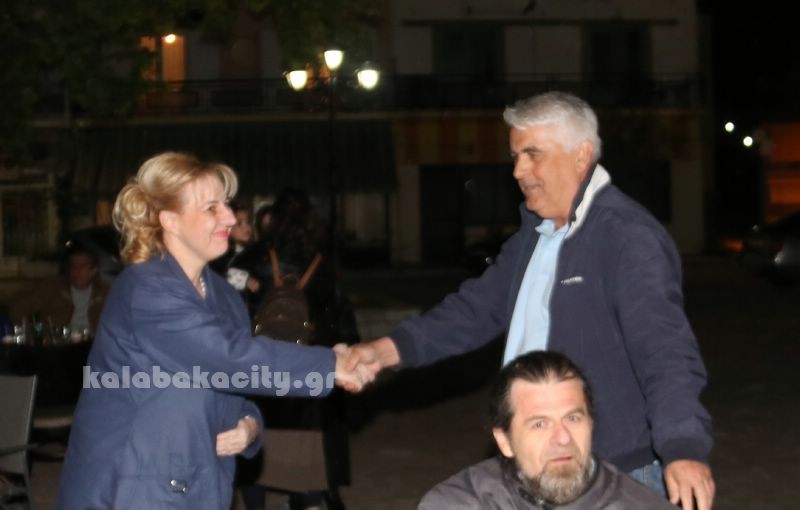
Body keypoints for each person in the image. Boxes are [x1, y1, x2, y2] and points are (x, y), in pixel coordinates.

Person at [347, 92, 715, 510]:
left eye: (532, 154)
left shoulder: (626, 237)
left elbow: (665, 349)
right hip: (537, 467)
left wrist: (683, 446)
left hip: (613, 473)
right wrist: (384, 352)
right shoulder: (535, 236)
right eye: (516, 156)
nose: (518, 170)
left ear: (581, 155)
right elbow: (474, 310)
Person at [54, 152, 364, 509]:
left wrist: (249, 425)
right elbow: (226, 357)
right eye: (211, 208)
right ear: (170, 220)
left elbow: (233, 381)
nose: (229, 218)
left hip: (198, 481)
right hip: (130, 486)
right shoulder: (145, 288)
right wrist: (329, 365)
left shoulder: (224, 297)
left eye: (227, 205)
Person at [419, 351, 677, 509]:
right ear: (505, 441)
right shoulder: (461, 503)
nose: (562, 438)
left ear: (591, 425)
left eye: (573, 418)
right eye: (540, 424)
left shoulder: (641, 505)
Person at [234, 188, 354, 510]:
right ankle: (309, 502)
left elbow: (230, 302)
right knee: (306, 449)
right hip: (306, 365)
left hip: (261, 362)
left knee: (256, 439)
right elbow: (338, 312)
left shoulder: (255, 257)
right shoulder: (322, 261)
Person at [10, 242, 109, 335]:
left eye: (82, 266)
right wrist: (29, 334)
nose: (77, 271)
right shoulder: (53, 287)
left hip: (92, 343)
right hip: (59, 342)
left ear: (93, 270)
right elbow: (19, 308)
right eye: (73, 266)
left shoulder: (104, 293)